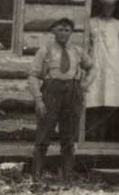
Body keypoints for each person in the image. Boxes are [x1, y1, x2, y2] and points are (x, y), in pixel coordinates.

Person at [28, 17, 93, 182]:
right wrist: (38, 99)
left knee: (69, 137)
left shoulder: (77, 51)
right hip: (51, 92)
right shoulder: (45, 50)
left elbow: (92, 67)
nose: (63, 33)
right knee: (43, 136)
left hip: (72, 93)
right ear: (53, 31)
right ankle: (36, 177)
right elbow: (33, 75)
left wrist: (84, 85)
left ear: (71, 32)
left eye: (67, 30)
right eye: (60, 29)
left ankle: (67, 178)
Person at [83, 0, 119, 140]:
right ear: (101, 6)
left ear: (115, 7)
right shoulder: (91, 22)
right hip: (95, 65)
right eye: (105, 5)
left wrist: (115, 67)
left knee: (110, 102)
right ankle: (91, 136)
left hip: (112, 68)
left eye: (112, 6)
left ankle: (103, 137)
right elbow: (86, 47)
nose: (108, 8)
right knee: (93, 101)